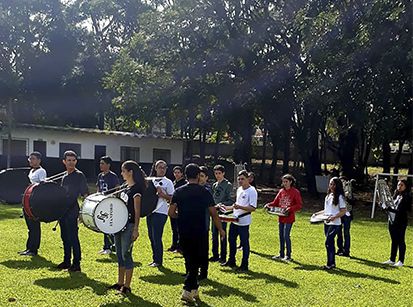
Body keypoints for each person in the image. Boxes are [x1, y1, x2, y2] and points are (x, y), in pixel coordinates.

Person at [169, 163, 225, 303]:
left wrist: (180, 217)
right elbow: (213, 213)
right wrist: (220, 229)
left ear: (185, 175)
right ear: (197, 175)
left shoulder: (179, 191)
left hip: (184, 230)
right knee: (196, 260)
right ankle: (187, 290)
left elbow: (171, 212)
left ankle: (194, 290)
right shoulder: (204, 192)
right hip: (200, 230)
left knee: (189, 260)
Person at [108, 160, 145, 294]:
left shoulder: (136, 190)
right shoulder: (126, 187)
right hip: (119, 225)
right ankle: (120, 282)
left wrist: (136, 228)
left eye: (124, 171)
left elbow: (137, 211)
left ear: (130, 172)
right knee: (119, 254)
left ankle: (127, 286)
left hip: (129, 226)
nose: (122, 173)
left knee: (126, 254)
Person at [57, 150, 89, 272]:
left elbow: (85, 194)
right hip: (63, 211)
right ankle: (66, 261)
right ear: (64, 162)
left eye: (73, 160)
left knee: (73, 237)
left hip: (73, 210)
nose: (71, 163)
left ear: (76, 161)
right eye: (68, 160)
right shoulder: (64, 177)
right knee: (64, 237)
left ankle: (76, 264)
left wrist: (82, 212)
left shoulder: (79, 175)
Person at [222, 170, 257, 271]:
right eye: (239, 179)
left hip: (244, 221)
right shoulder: (239, 190)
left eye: (242, 179)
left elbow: (253, 208)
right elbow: (236, 206)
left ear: (248, 179)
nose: (240, 181)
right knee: (231, 240)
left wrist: (240, 207)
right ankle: (231, 260)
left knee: (244, 243)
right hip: (234, 219)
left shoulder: (252, 191)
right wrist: (226, 208)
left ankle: (244, 264)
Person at [264, 174, 302, 261]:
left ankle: (288, 255)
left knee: (286, 235)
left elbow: (299, 205)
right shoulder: (281, 191)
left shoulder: (295, 192)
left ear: (291, 182)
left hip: (289, 217)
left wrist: (290, 208)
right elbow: (276, 202)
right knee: (281, 235)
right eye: (283, 182)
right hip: (281, 217)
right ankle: (281, 254)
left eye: (286, 182)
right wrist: (268, 205)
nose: (284, 183)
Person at [18, 152, 47, 256]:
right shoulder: (31, 171)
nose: (31, 160)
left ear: (39, 160)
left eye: (33, 159)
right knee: (30, 227)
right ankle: (29, 248)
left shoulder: (41, 171)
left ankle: (34, 249)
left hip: (35, 201)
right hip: (27, 200)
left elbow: (42, 187)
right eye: (30, 158)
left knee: (34, 226)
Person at [314, 177, 346, 270]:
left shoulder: (339, 197)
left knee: (328, 242)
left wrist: (334, 217)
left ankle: (330, 263)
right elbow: (326, 210)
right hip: (326, 222)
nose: (331, 186)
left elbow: (343, 211)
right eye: (330, 184)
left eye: (333, 184)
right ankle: (331, 263)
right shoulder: (328, 196)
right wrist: (317, 214)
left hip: (335, 224)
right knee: (330, 243)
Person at [147, 160, 174, 267]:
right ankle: (155, 258)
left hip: (161, 212)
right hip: (150, 211)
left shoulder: (168, 182)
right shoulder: (151, 180)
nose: (162, 169)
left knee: (157, 236)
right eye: (160, 167)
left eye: (164, 167)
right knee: (151, 236)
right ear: (155, 168)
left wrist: (163, 195)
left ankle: (158, 260)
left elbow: (172, 198)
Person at [382, 179, 412, 267]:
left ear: (406, 187)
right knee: (394, 240)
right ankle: (392, 259)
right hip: (392, 220)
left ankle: (401, 260)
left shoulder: (407, 196)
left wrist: (389, 209)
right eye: (398, 185)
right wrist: (384, 206)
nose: (399, 186)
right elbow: (391, 205)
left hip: (401, 221)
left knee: (400, 240)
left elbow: (401, 210)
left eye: (401, 185)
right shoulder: (396, 195)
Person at [97, 156, 120, 255]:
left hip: (110, 203)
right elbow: (98, 188)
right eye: (100, 163)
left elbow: (117, 189)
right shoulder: (100, 176)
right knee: (103, 224)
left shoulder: (113, 176)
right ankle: (106, 246)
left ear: (108, 165)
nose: (101, 165)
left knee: (109, 224)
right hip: (102, 202)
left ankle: (111, 246)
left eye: (103, 163)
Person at [210, 165, 233, 264]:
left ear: (223, 173)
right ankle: (215, 254)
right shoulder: (214, 185)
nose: (218, 175)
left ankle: (223, 256)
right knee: (214, 234)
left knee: (222, 233)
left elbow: (231, 200)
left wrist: (222, 205)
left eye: (219, 173)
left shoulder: (228, 185)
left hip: (222, 212)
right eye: (216, 173)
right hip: (214, 212)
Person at [167, 166, 187, 253]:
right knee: (174, 228)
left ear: (182, 173)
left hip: (180, 208)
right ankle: (174, 245)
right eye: (175, 172)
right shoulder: (173, 183)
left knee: (180, 228)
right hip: (172, 207)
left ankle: (180, 246)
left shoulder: (184, 183)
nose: (176, 174)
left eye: (178, 172)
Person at [198, 166, 212, 280]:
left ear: (206, 178)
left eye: (202, 176)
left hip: (203, 223)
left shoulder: (208, 190)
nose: (200, 178)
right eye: (198, 176)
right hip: (192, 223)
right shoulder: (193, 188)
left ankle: (203, 272)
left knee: (203, 249)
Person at [336, 176, 354, 257]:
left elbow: (352, 202)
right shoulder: (337, 192)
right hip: (339, 213)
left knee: (346, 232)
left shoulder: (348, 190)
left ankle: (346, 250)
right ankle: (340, 249)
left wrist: (346, 197)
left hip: (347, 214)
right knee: (339, 232)